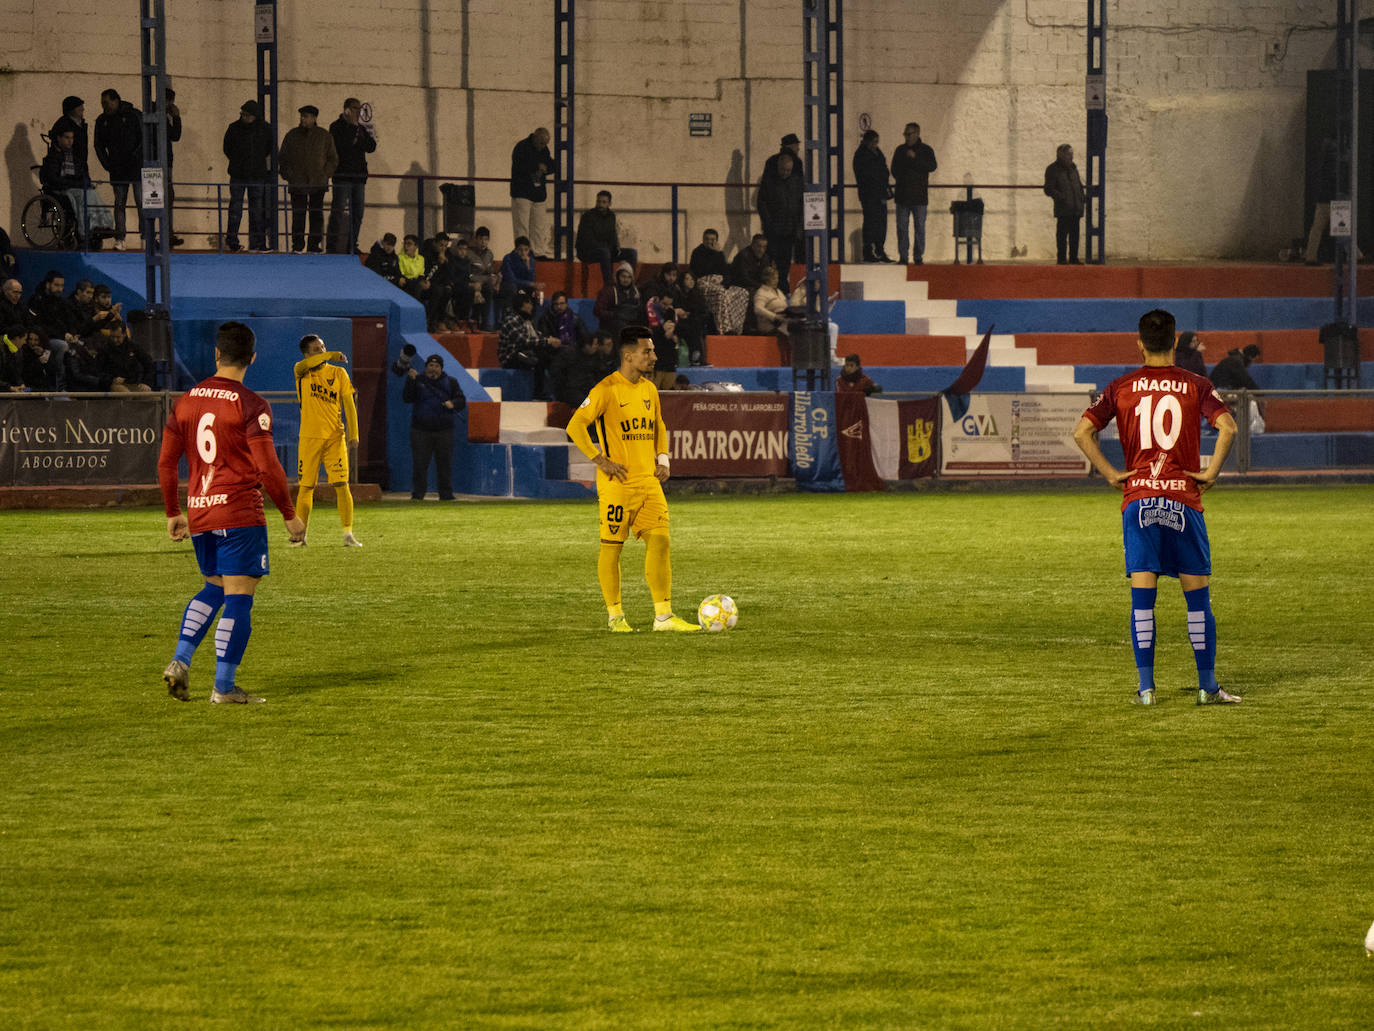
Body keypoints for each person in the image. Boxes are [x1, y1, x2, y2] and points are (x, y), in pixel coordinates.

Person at [1072, 308, 1240, 707]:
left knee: (1142, 598)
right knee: (1196, 598)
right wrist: (1211, 472)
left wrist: (1114, 474)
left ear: (1140, 342)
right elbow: (1228, 427)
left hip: (1140, 498)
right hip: (1182, 497)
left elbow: (1082, 431)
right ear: (1176, 339)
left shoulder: (1121, 386)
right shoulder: (1196, 384)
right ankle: (1207, 687)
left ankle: (1147, 690)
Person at [157, 321, 305, 704]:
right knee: (239, 597)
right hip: (239, 512)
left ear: (217, 354)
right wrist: (289, 514)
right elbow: (269, 467)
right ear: (252, 358)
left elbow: (166, 462)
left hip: (201, 512)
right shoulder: (252, 404)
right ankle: (223, 687)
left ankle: (180, 659)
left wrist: (175, 511)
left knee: (214, 587)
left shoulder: (186, 400)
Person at [564, 326, 700, 633]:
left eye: (652, 351)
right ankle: (615, 616)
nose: (654, 356)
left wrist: (663, 458)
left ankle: (663, 617)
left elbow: (658, 425)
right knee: (612, 547)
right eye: (647, 351)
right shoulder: (606, 389)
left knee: (661, 540)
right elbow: (575, 425)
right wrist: (600, 460)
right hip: (618, 485)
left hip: (648, 481)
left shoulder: (649, 389)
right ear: (629, 356)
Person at [293, 334, 361, 547]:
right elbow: (309, 364)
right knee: (306, 487)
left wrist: (354, 434)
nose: (322, 351)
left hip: (334, 437)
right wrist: (331, 355)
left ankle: (348, 534)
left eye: (323, 346)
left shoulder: (338, 373)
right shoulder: (301, 371)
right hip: (309, 438)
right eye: (316, 349)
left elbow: (349, 404)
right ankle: (300, 536)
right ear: (306, 354)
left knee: (342, 484)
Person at [402, 353, 465, 500]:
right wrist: (410, 381)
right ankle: (418, 494)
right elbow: (407, 398)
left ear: (441, 369)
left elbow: (461, 400)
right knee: (419, 465)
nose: (433, 369)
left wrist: (453, 403)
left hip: (444, 430)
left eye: (436, 366)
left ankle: (446, 494)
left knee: (444, 464)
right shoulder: (417, 381)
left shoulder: (451, 382)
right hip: (420, 430)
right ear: (426, 367)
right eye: (431, 365)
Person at [278, 105, 338, 253]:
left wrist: (325, 174)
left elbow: (332, 158)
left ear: (314, 118)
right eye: (302, 116)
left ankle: (313, 245)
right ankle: (297, 245)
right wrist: (289, 175)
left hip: (317, 183)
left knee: (316, 215)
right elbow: (283, 158)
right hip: (298, 182)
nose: (302, 119)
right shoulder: (292, 135)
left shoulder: (324, 136)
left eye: (305, 116)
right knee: (298, 215)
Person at [93, 89, 144, 252]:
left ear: (116, 101)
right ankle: (120, 238)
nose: (104, 107)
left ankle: (146, 236)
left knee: (141, 202)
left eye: (106, 103)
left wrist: (136, 157)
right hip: (117, 168)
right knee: (119, 203)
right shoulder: (102, 120)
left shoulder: (133, 115)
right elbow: (98, 144)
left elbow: (144, 138)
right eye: (102, 104)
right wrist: (107, 164)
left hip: (136, 167)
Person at [223, 100, 274, 252]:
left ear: (255, 116)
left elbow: (228, 149)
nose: (244, 117)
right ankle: (242, 242)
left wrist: (238, 161)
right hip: (250, 174)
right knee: (240, 209)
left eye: (247, 115)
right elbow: (267, 149)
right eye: (243, 115)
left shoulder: (236, 128)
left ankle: (251, 242)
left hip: (246, 174)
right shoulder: (264, 128)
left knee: (251, 210)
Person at [327, 98, 376, 254]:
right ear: (347, 109)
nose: (358, 112)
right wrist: (353, 134)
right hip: (342, 175)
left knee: (358, 213)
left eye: (359, 108)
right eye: (355, 108)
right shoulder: (336, 127)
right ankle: (332, 246)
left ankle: (351, 244)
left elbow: (371, 146)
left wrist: (357, 139)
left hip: (358, 177)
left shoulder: (360, 128)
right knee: (338, 212)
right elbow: (342, 146)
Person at [890, 122, 938, 265]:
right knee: (902, 228)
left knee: (920, 228)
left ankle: (918, 256)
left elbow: (932, 166)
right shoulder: (900, 150)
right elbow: (894, 169)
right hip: (903, 196)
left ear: (917, 134)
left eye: (909, 134)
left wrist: (915, 158)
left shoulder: (926, 150)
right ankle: (903, 257)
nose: (906, 137)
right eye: (905, 134)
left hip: (919, 197)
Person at [690, 228, 750, 338]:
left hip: (719, 282)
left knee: (742, 292)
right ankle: (724, 329)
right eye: (707, 239)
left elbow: (725, 271)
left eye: (712, 239)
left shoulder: (719, 254)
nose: (709, 242)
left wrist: (726, 282)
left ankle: (736, 328)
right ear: (703, 240)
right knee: (720, 293)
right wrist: (715, 253)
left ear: (716, 240)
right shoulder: (697, 253)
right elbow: (702, 270)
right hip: (704, 283)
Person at [499, 290, 558, 399]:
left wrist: (548, 340)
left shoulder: (526, 320)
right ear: (521, 305)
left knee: (551, 356)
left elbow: (536, 337)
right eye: (529, 303)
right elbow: (524, 341)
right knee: (539, 360)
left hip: (524, 352)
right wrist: (547, 341)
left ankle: (553, 391)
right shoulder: (512, 319)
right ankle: (538, 394)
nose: (531, 306)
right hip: (512, 356)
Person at [757, 151, 803, 284]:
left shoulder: (796, 183)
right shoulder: (769, 181)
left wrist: (798, 227)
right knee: (768, 260)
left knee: (785, 262)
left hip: (789, 231)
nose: (785, 173)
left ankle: (782, 286)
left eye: (788, 170)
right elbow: (761, 203)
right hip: (772, 230)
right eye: (783, 170)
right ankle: (768, 285)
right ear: (777, 167)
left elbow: (800, 204)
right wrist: (768, 223)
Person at [575, 190, 638, 287]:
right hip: (587, 252)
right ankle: (609, 286)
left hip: (606, 251)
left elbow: (613, 235)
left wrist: (616, 248)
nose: (600, 204)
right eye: (598, 201)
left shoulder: (611, 216)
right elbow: (588, 240)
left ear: (609, 203)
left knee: (632, 253)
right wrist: (608, 249)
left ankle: (628, 284)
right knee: (605, 252)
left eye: (604, 202)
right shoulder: (588, 216)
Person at [510, 127, 554, 257]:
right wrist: (538, 166)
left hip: (538, 194)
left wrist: (545, 168)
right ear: (535, 137)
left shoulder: (544, 150)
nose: (543, 146)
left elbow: (551, 165)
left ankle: (538, 253)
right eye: (541, 143)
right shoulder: (521, 147)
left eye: (545, 144)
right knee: (522, 226)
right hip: (522, 192)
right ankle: (522, 253)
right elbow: (519, 166)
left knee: (538, 227)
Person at [853, 130, 892, 263]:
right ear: (868, 141)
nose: (876, 144)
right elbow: (869, 174)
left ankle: (879, 250)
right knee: (871, 222)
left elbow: (884, 170)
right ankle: (869, 251)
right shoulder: (862, 155)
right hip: (869, 194)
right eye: (874, 142)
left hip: (878, 193)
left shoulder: (875, 153)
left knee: (881, 222)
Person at [1043, 143, 1085, 265]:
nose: (1071, 156)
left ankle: (1073, 258)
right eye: (1068, 154)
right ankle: (1061, 259)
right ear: (1060, 155)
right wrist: (1062, 197)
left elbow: (1078, 185)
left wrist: (1082, 197)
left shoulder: (1073, 168)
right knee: (1062, 236)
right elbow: (1048, 189)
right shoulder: (1052, 169)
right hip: (1063, 208)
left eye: (1072, 154)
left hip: (1076, 207)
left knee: (1075, 236)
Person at [593, 262, 642, 340]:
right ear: (618, 276)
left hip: (631, 322)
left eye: (629, 277)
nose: (626, 280)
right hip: (611, 326)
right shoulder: (609, 291)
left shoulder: (636, 292)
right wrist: (614, 315)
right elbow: (597, 310)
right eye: (623, 276)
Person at [497, 236, 537, 307]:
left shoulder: (530, 260)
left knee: (533, 291)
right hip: (507, 286)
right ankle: (509, 314)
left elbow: (532, 281)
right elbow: (511, 280)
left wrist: (528, 267)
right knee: (512, 287)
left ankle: (528, 316)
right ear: (515, 250)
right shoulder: (508, 258)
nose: (523, 253)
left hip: (522, 286)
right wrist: (528, 284)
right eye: (520, 250)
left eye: (526, 250)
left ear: (529, 249)